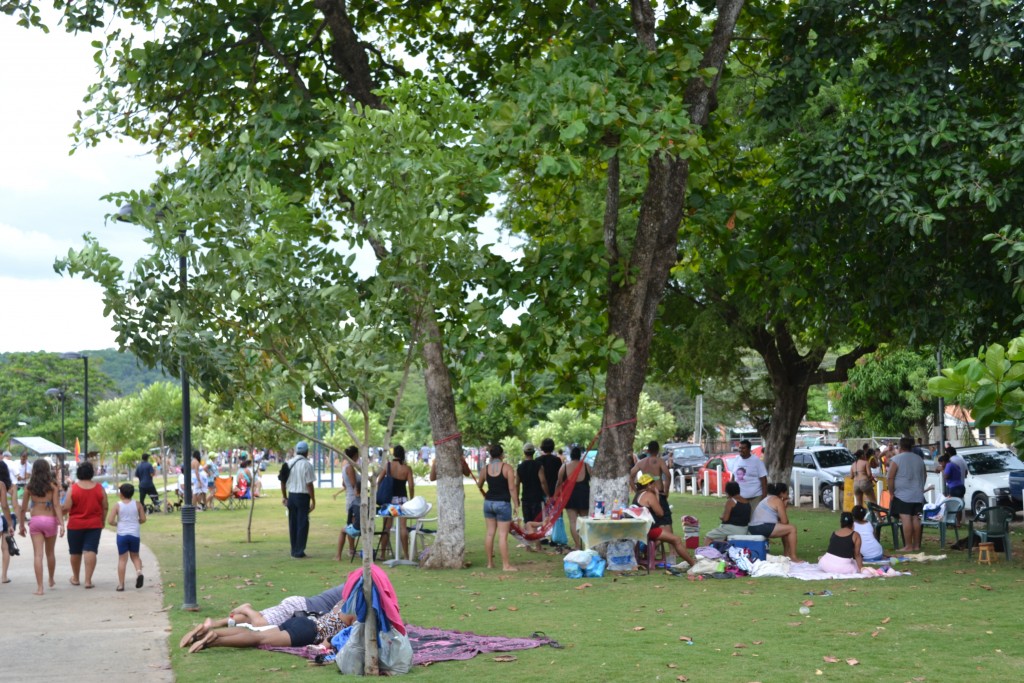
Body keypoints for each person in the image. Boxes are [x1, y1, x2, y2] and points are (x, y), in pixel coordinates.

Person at [179, 584, 346, 648]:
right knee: (258, 629)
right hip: (302, 613)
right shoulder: (353, 609)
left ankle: (210, 628)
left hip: (305, 618)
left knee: (255, 629)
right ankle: (216, 639)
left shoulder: (345, 601)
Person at [19, 459, 65, 594]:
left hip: (35, 520)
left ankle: (40, 588)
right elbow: (57, 505)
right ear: (47, 470)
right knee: (50, 553)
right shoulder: (53, 486)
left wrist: (21, 525)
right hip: (50, 520)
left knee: (38, 555)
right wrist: (62, 524)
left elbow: (23, 509)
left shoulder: (29, 487)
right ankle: (51, 579)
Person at [633, 473, 696, 566]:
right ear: (649, 485)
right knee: (676, 540)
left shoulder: (637, 495)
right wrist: (657, 495)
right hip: (650, 529)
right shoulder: (649, 495)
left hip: (641, 529)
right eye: (653, 483)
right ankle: (693, 564)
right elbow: (660, 513)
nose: (655, 485)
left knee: (662, 537)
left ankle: (647, 556)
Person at [63, 460, 108, 589]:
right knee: (91, 549)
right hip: (94, 524)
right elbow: (105, 506)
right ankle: (88, 580)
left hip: (75, 525)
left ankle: (76, 578)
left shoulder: (73, 489)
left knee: (75, 552)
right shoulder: (100, 488)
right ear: (92, 473)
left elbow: (67, 507)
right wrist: (102, 520)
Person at [476, 444, 518, 571]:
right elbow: (512, 488)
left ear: (490, 455)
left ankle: (490, 563)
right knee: (502, 535)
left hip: (488, 503)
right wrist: (516, 504)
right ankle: (506, 565)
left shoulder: (485, 469)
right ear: (502, 455)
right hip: (503, 504)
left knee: (489, 534)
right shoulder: (507, 468)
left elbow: (479, 485)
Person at [886, 436, 926, 553]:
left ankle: (908, 545)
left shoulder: (896, 459)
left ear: (900, 446)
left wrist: (891, 493)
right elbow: (924, 475)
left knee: (906, 519)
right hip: (917, 494)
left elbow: (890, 478)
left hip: (902, 495)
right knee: (915, 518)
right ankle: (917, 545)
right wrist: (920, 488)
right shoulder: (919, 459)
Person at [748, 482, 803, 562]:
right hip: (762, 527)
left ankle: (786, 554)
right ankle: (793, 556)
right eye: (786, 493)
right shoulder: (777, 500)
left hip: (753, 527)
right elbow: (784, 521)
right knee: (792, 528)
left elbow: (780, 521)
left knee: (786, 529)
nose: (787, 495)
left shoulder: (768, 498)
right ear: (781, 493)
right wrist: (784, 506)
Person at [106, 483, 146, 591]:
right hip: (134, 534)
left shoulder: (117, 505)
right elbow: (143, 519)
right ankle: (139, 572)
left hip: (122, 535)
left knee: (122, 559)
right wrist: (136, 521)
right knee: (135, 556)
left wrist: (118, 524)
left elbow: (110, 521)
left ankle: (121, 585)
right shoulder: (137, 504)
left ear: (121, 494)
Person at [378, 445, 415, 560]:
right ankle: (406, 555)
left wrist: (382, 492)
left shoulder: (388, 466)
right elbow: (411, 485)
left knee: (386, 527)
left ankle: (383, 554)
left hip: (390, 501)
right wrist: (411, 498)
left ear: (394, 454)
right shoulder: (407, 468)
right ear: (403, 454)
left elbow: (379, 480)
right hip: (403, 500)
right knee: (403, 527)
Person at [281, 441, 316, 559]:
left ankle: (294, 549)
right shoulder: (307, 465)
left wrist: (284, 496)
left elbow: (282, 481)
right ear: (306, 452)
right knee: (303, 524)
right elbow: (309, 484)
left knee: (293, 523)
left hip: (292, 496)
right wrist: (313, 500)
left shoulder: (288, 463)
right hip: (302, 497)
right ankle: (299, 551)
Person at [556, 446, 591, 550]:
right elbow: (594, 479)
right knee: (585, 521)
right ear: (580, 455)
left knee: (573, 521)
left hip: (570, 496)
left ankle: (577, 545)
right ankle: (587, 545)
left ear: (571, 455)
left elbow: (559, 483)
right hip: (584, 495)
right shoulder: (586, 466)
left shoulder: (564, 467)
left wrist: (557, 496)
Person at [332, 446, 361, 561]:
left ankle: (351, 549)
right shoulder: (350, 468)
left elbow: (344, 483)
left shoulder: (346, 467)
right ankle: (351, 549)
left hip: (351, 497)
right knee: (352, 525)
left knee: (352, 524)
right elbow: (354, 485)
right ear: (355, 455)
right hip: (354, 499)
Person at [729, 439, 768, 508]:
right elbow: (733, 477)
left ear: (749, 449)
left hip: (755, 498)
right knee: (742, 518)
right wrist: (730, 493)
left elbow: (764, 480)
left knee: (754, 518)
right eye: (740, 448)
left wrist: (764, 497)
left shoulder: (757, 461)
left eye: (743, 448)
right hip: (739, 498)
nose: (741, 450)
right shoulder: (736, 460)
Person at [516, 442, 544, 526]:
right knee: (537, 522)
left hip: (526, 498)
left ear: (524, 453)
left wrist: (516, 498)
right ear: (534, 452)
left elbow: (516, 484)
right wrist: (548, 494)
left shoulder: (520, 467)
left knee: (527, 523)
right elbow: (543, 481)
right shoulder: (538, 465)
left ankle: (529, 538)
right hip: (537, 498)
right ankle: (536, 538)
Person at [0, 461, 17, 583]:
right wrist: (12, 522)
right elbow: (12, 505)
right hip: (8, 516)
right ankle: (4, 576)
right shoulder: (12, 486)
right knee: (5, 548)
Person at [536, 438, 562, 502]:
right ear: (552, 447)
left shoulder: (537, 460)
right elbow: (560, 476)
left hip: (541, 491)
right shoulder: (557, 460)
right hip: (555, 490)